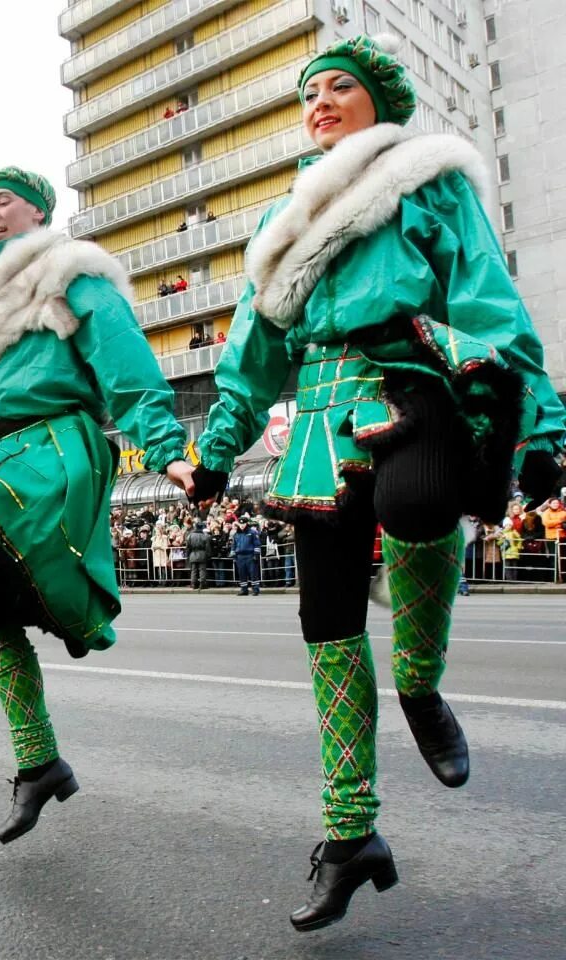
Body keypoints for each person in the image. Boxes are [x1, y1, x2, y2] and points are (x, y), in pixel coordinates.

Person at [188, 34, 566, 931]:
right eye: (309, 93)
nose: (319, 102)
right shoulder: (283, 221)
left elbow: (484, 295)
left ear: (377, 103)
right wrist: (217, 448)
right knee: (325, 622)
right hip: (316, 420)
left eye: (338, 88)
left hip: (412, 383)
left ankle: (421, 679)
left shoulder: (426, 180)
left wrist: (545, 422)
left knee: (418, 503)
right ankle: (351, 836)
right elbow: (251, 356)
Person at [0, 164, 193, 842]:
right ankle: (38, 761)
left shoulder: (75, 273)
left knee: (23, 537)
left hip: (60, 443)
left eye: (2, 200)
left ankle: (71, 607)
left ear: (39, 209)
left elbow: (126, 362)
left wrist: (165, 448)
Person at [186, 522, 210, 590]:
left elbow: (188, 547)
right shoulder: (205, 536)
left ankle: (193, 584)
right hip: (202, 554)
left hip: (193, 554)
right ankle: (202, 584)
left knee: (194, 570)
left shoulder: (190, 535)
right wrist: (208, 555)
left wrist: (188, 555)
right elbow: (207, 547)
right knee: (202, 570)